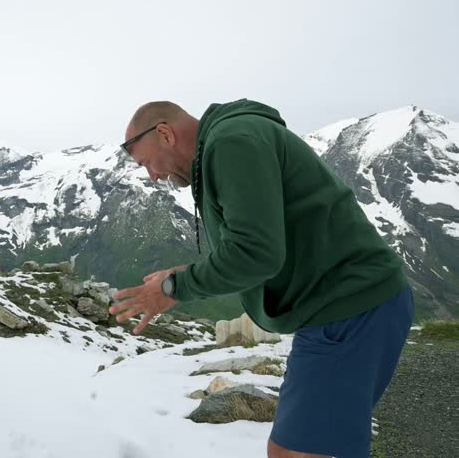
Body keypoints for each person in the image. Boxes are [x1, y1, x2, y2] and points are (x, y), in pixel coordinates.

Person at [110, 99, 413, 458]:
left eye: (146, 163)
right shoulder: (228, 142)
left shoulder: (231, 142)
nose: (153, 176)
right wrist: (183, 274)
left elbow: (256, 254)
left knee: (296, 451)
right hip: (349, 304)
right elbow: (253, 241)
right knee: (330, 444)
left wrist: (175, 288)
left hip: (348, 307)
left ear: (164, 133)